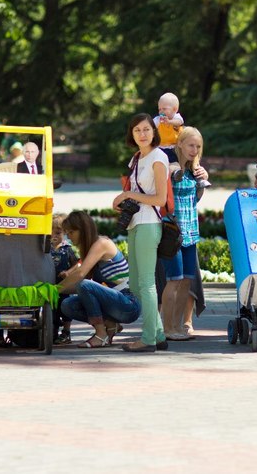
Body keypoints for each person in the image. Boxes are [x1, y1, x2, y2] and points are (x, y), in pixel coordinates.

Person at [112, 113, 170, 352]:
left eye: (146, 129)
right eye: (137, 130)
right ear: (132, 134)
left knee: (146, 283)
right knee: (135, 284)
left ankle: (147, 340)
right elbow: (133, 191)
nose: (142, 134)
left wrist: (129, 195)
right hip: (135, 223)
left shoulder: (158, 157)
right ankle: (158, 334)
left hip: (149, 223)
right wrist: (122, 199)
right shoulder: (136, 158)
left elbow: (159, 199)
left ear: (153, 132)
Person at [58, 211, 141, 348]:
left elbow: (81, 274)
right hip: (113, 303)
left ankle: (101, 334)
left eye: (71, 232)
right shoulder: (90, 249)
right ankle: (110, 325)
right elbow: (84, 290)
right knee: (67, 304)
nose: (68, 236)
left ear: (82, 230)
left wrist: (56, 289)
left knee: (84, 284)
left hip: (129, 303)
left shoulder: (102, 243)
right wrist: (57, 290)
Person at [160, 127, 209, 341]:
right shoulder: (171, 166)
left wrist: (202, 180)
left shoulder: (193, 169)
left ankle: (179, 326)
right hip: (173, 232)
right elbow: (172, 177)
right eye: (191, 145)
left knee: (187, 282)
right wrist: (178, 171)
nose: (194, 150)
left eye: (198, 147)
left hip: (191, 233)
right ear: (179, 144)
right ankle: (167, 327)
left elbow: (195, 199)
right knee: (174, 280)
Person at [50, 214, 79, 344]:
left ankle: (66, 331)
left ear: (65, 233)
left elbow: (76, 264)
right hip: (50, 284)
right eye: (50, 232)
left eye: (57, 233)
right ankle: (52, 331)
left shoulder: (67, 249)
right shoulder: (46, 249)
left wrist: (68, 272)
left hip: (64, 285)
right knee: (52, 309)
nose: (53, 236)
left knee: (65, 308)